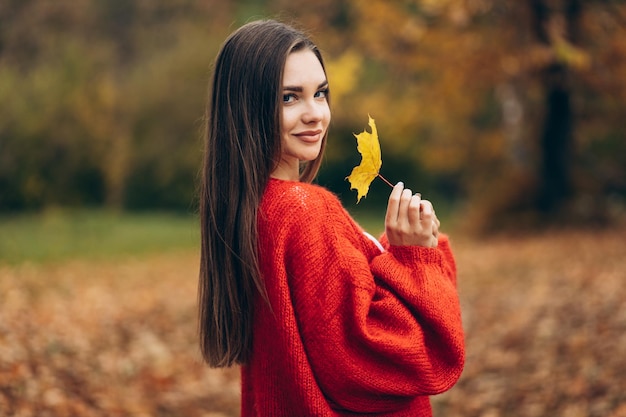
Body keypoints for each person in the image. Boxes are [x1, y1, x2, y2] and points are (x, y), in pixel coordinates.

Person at [198, 19, 465, 417]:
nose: (314, 114)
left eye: (320, 93)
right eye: (289, 98)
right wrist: (416, 260)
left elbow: (328, 318)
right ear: (246, 106)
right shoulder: (304, 211)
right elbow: (382, 358)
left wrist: (392, 246)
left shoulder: (252, 208)